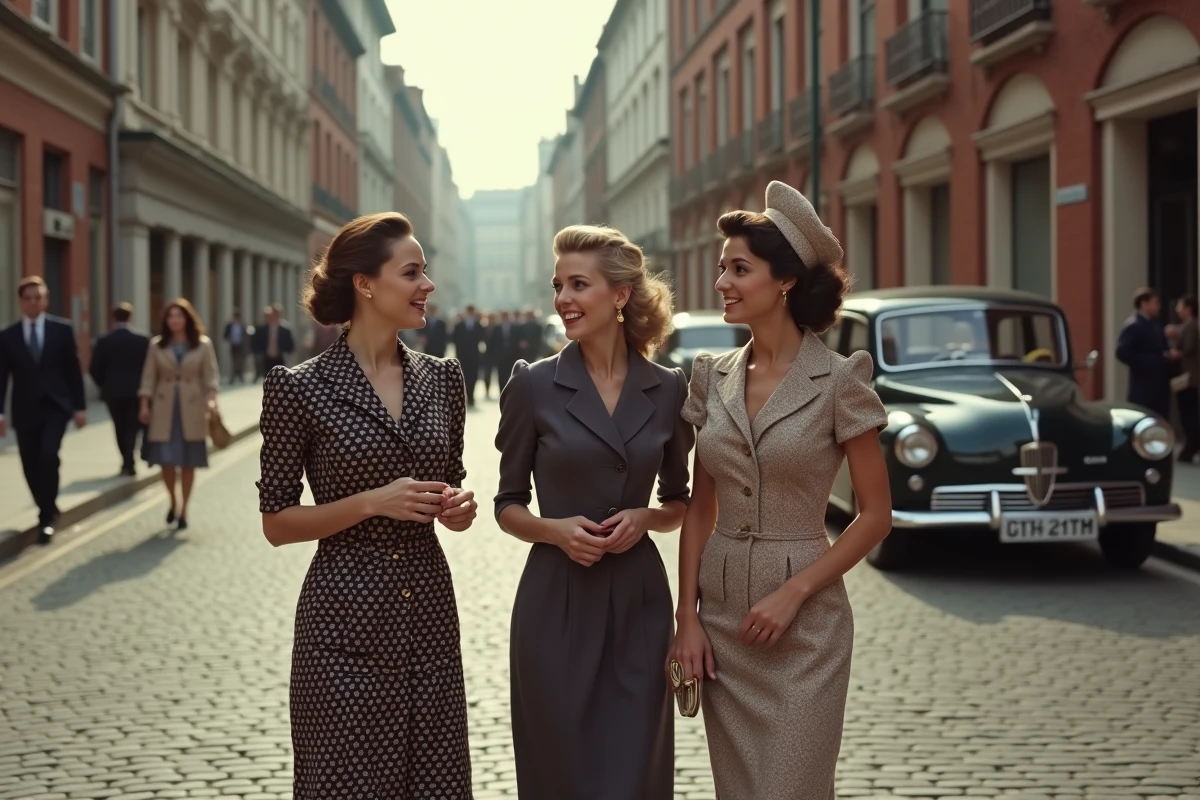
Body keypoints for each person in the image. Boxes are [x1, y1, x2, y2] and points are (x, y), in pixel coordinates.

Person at [668, 181, 892, 798]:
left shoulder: (840, 379)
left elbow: (875, 515)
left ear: (785, 280)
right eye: (722, 269)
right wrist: (686, 617)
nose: (722, 283)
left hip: (805, 630)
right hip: (721, 627)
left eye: (740, 269)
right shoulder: (711, 377)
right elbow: (699, 510)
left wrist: (796, 591)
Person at [257, 212, 476, 799]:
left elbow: (447, 483)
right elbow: (276, 523)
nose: (427, 284)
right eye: (413, 272)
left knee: (436, 783)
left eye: (425, 272)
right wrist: (372, 502)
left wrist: (455, 508)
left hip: (428, 612)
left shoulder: (444, 379)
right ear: (365, 284)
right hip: (343, 619)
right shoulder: (298, 388)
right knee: (346, 785)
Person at [494, 225, 694, 799]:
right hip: (555, 603)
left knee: (633, 774)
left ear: (622, 295)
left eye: (579, 284)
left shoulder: (669, 389)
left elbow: (678, 501)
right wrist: (553, 532)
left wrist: (646, 519)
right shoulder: (533, 386)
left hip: (638, 604)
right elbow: (507, 505)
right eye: (558, 285)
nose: (563, 300)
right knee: (560, 774)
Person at [0, 275, 87, 544]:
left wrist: (80, 407)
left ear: (46, 300)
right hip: (24, 410)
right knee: (30, 463)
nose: (33, 302)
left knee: (49, 456)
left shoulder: (62, 330)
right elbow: (1, 376)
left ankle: (45, 517)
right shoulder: (8, 335)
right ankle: (46, 505)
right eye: (28, 298)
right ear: (20, 302)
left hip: (55, 407)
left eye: (38, 297)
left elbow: (73, 371)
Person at [138, 299, 219, 531]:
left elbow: (210, 376)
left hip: (192, 409)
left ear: (187, 319)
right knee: (166, 461)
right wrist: (144, 404)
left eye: (179, 316)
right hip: (164, 410)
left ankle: (184, 509)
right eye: (170, 316)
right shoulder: (157, 345)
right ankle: (173, 502)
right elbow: (148, 377)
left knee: (188, 462)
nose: (174, 320)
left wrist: (211, 399)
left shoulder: (203, 345)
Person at [90, 302, 150, 476]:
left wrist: (105, 385)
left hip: (113, 393)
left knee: (119, 426)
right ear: (130, 317)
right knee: (133, 426)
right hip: (136, 392)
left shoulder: (104, 341)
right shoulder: (142, 340)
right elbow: (149, 368)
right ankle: (129, 460)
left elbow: (94, 369)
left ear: (113, 318)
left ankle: (126, 460)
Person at [1116, 287, 1178, 419]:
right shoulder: (1134, 325)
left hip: (1160, 388)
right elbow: (1122, 352)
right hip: (1143, 389)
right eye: (1155, 303)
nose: (1158, 307)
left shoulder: (1155, 325)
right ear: (1144, 303)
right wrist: (1154, 360)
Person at [1173, 295, 1199, 462]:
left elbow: (1188, 349)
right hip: (1188, 378)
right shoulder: (1187, 326)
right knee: (1188, 411)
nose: (1177, 310)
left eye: (1180, 306)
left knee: (1188, 412)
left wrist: (1175, 352)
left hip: (1188, 378)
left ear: (1189, 309)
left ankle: (1192, 444)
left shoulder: (1190, 326)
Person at [451, 304, 485, 407]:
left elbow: (483, 338)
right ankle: (463, 396)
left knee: (473, 376)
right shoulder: (459, 325)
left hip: (474, 354)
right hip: (462, 354)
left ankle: (471, 396)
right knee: (462, 376)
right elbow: (453, 339)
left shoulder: (479, 325)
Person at [252, 303, 294, 377]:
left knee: (280, 378)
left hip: (280, 358)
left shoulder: (285, 329)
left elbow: (290, 345)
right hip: (266, 358)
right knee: (267, 378)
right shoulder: (262, 329)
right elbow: (256, 342)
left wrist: (285, 353)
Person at [486, 310, 518, 390]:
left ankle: (510, 390)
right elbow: (491, 343)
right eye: (503, 316)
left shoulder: (515, 328)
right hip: (500, 356)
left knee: (511, 373)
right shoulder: (497, 328)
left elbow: (519, 340)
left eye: (506, 316)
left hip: (511, 355)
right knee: (501, 374)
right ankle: (502, 390)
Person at [223, 309, 250, 383]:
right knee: (233, 362)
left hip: (241, 346)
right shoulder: (230, 325)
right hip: (233, 345)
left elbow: (246, 337)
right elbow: (225, 335)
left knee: (240, 362)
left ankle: (240, 376)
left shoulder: (243, 326)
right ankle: (233, 377)